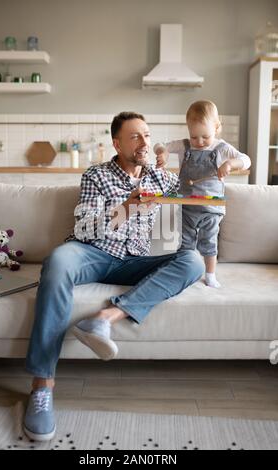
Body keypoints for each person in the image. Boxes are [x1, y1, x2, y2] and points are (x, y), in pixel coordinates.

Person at [23, 111, 204, 441]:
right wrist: (126, 207)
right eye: (135, 136)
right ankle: (42, 387)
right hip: (91, 253)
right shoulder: (96, 175)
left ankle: (107, 315)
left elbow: (197, 190)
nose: (144, 142)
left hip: (134, 260)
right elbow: (84, 228)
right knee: (57, 262)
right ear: (117, 143)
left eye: (147, 135)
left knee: (193, 262)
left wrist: (209, 163)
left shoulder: (160, 178)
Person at [154, 100, 251, 288]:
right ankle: (185, 272)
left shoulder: (222, 148)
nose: (199, 142)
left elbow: (246, 160)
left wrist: (230, 164)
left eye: (205, 136)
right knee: (185, 244)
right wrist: (163, 153)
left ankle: (210, 274)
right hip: (187, 208)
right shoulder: (184, 145)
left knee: (209, 242)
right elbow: (159, 144)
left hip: (211, 209)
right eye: (194, 136)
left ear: (217, 127)